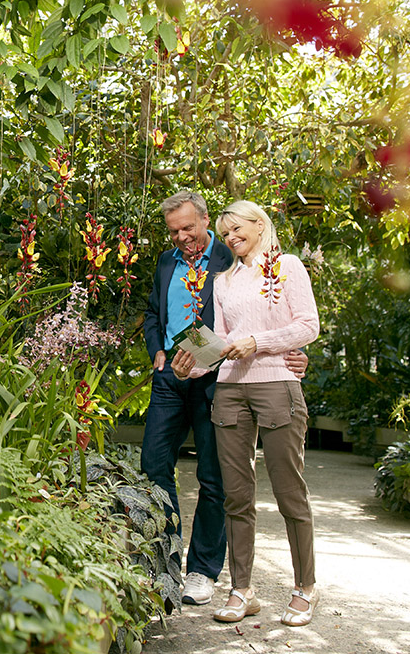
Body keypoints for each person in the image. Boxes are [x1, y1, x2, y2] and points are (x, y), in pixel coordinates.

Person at [142, 192, 307, 607]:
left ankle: (202, 570)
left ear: (205, 220)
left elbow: (274, 317)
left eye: (189, 228)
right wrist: (158, 351)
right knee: (152, 466)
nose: (183, 237)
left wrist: (294, 356)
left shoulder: (234, 260)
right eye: (174, 231)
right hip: (172, 378)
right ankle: (165, 560)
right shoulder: (167, 263)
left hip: (221, 380)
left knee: (215, 478)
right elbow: (153, 315)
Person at [182, 199, 321, 627]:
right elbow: (223, 339)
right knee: (236, 495)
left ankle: (305, 588)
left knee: (288, 490)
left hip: (277, 383)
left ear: (260, 225)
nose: (231, 238)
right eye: (225, 233)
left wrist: (258, 343)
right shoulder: (224, 281)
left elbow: (307, 325)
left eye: (238, 229)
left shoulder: (288, 266)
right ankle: (242, 589)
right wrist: (189, 357)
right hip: (230, 390)